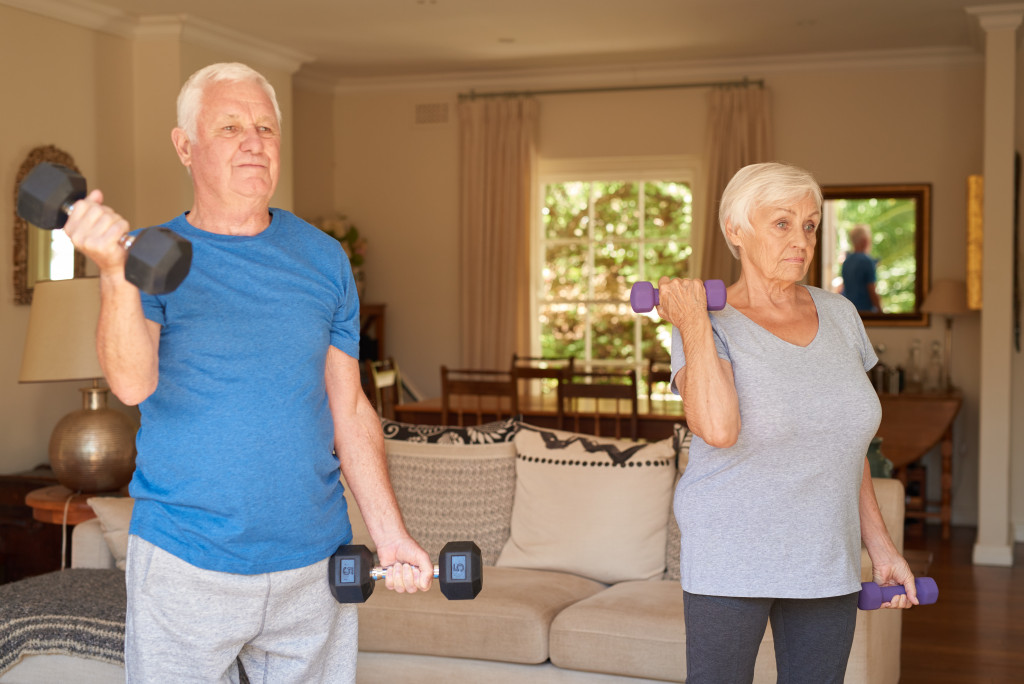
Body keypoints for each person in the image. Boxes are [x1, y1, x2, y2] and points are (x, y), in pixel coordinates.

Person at [61, 62, 433, 683]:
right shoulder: (150, 257)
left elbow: (350, 407)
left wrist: (389, 533)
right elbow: (131, 384)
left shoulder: (323, 258)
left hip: (312, 564)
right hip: (187, 560)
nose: (254, 141)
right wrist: (111, 274)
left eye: (265, 127)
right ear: (185, 146)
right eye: (230, 126)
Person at [657, 163, 915, 684]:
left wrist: (881, 547)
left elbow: (846, 444)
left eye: (810, 225)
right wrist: (691, 322)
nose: (801, 239)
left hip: (826, 552)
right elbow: (718, 427)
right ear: (736, 230)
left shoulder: (841, 314)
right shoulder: (703, 320)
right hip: (731, 550)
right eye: (782, 223)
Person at [840, 223, 883, 312]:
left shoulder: (847, 262)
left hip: (850, 311)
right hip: (866, 313)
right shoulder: (867, 261)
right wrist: (881, 312)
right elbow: (872, 290)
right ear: (865, 241)